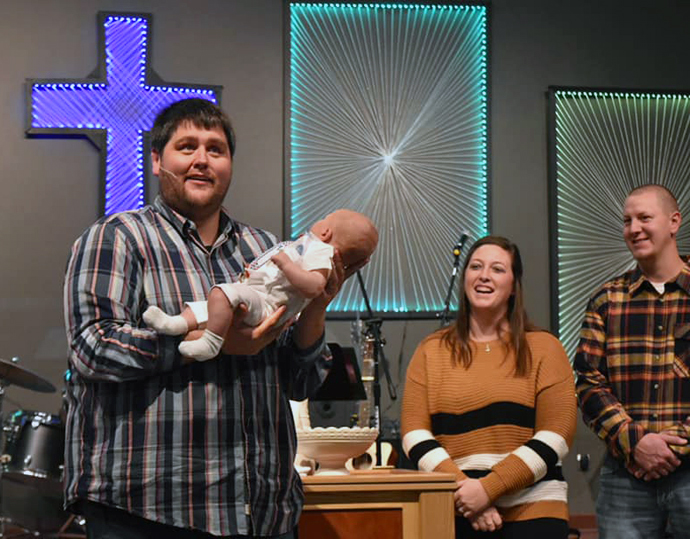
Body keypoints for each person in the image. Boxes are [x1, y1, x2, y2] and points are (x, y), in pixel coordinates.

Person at [63, 98, 367, 538]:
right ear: (156, 161)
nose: (202, 160)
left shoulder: (267, 249)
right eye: (187, 147)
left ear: (229, 165)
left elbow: (301, 381)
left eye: (216, 150)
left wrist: (315, 306)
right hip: (147, 508)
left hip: (260, 510)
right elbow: (93, 349)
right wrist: (205, 345)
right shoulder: (117, 238)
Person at [401, 235, 576, 538]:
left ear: (513, 285)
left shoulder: (545, 348)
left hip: (533, 512)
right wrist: (466, 493)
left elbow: (557, 435)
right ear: (465, 277)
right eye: (476, 266)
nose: (483, 275)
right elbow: (414, 435)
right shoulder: (431, 349)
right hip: (453, 510)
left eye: (497, 269)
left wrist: (487, 489)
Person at [574, 184, 690, 539]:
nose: (634, 228)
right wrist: (636, 442)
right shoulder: (605, 300)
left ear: (674, 222)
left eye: (644, 218)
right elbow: (588, 383)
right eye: (627, 221)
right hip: (625, 475)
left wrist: (676, 444)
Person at [142, 209, 378, 361]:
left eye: (323, 218)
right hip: (256, 292)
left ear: (326, 231)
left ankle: (211, 341)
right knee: (212, 304)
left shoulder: (320, 251)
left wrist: (288, 268)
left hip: (266, 305)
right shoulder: (300, 246)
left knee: (221, 294)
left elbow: (314, 286)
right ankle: (176, 323)